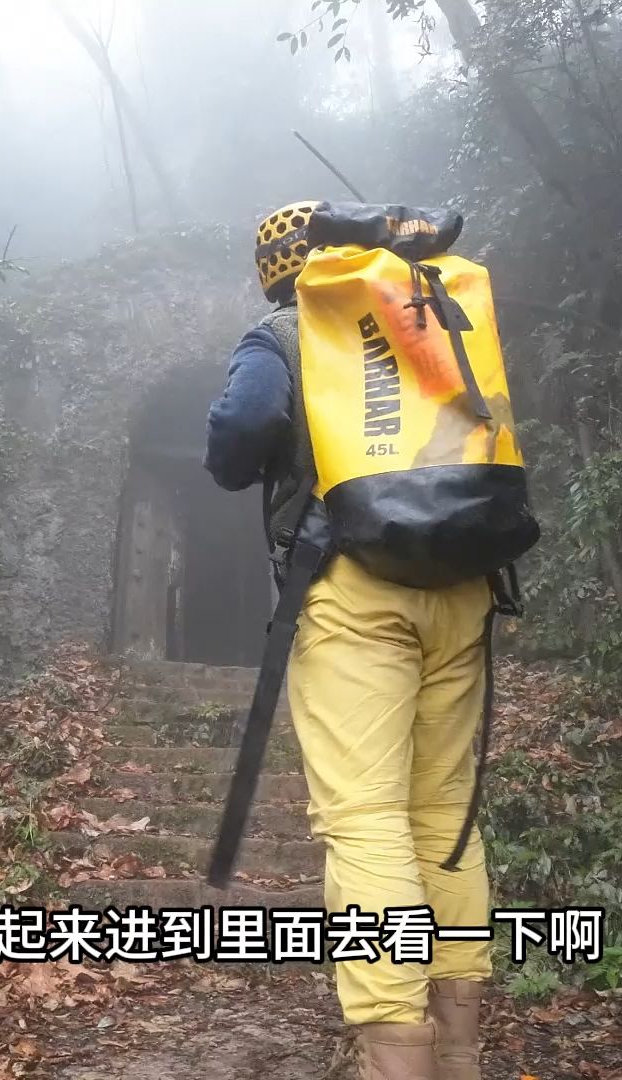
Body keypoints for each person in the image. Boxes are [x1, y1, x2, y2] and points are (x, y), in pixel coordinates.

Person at [204, 202, 493, 1080]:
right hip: (464, 587)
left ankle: (394, 1060)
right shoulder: (427, 313)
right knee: (443, 818)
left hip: (355, 591)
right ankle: (460, 1056)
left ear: (277, 269)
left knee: (367, 821)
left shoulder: (287, 328)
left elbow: (241, 436)